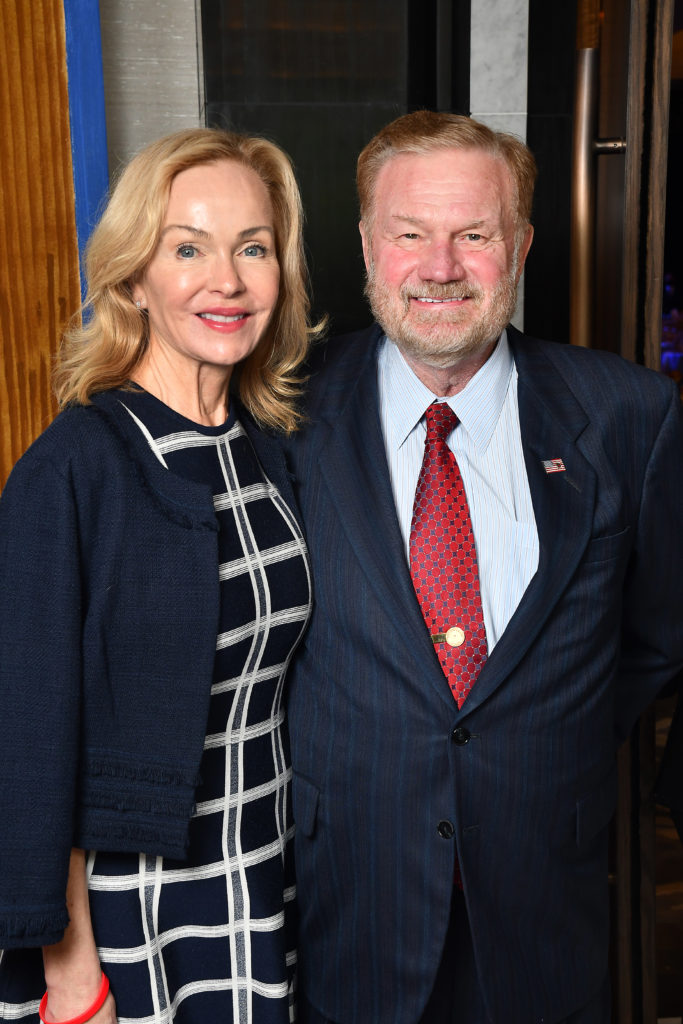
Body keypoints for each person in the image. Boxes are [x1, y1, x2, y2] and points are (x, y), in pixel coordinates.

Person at [283, 110, 683, 1023]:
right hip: (347, 905)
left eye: (474, 235)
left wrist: (544, 739)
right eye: (408, 235)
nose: (439, 267)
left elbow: (655, 638)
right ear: (366, 244)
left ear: (521, 246)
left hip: (545, 906)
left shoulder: (629, 414)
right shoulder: (283, 412)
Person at [0, 127, 320, 1024]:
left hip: (265, 869)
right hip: (129, 904)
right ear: (133, 279)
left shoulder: (268, 449)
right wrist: (73, 973)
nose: (227, 280)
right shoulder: (75, 468)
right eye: (187, 249)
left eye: (252, 248)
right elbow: (27, 735)